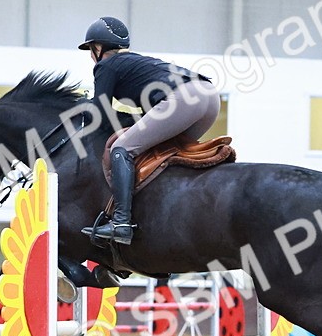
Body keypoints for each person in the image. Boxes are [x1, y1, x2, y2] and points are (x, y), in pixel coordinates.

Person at [78, 16, 219, 245]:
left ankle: (121, 222)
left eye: (90, 51)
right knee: (160, 153)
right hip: (209, 98)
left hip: (182, 99)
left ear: (97, 48)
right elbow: (143, 118)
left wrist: (80, 111)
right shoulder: (136, 63)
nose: (91, 56)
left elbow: (100, 113)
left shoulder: (106, 65)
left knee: (121, 148)